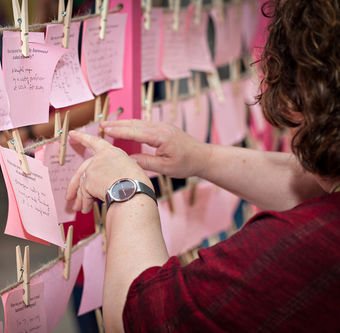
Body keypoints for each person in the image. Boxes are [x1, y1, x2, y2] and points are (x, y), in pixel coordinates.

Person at [66, 0, 340, 331]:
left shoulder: (301, 252)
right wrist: (201, 158)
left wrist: (126, 191)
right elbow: (315, 189)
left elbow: (141, 318)